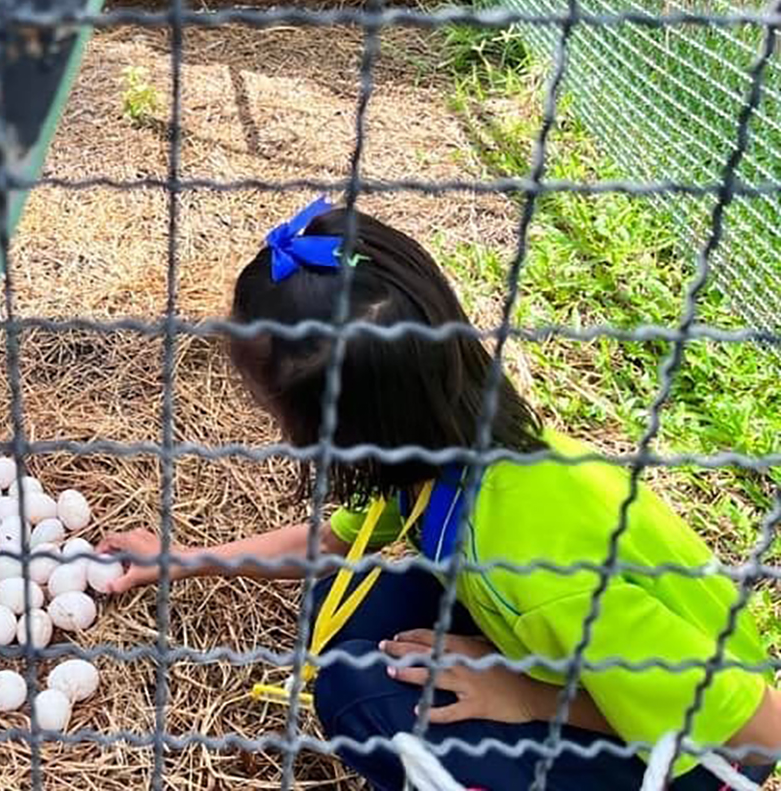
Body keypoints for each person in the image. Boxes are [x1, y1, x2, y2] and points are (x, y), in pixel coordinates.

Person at [99, 199, 780, 790]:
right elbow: (330, 541)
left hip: (696, 761)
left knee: (360, 696)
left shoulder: (542, 567)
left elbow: (758, 734)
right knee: (348, 602)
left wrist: (526, 693)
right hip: (581, 655)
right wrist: (183, 558)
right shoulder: (449, 438)